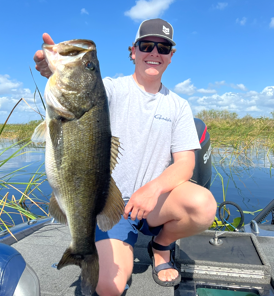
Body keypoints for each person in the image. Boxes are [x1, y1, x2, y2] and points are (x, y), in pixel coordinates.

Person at [34, 18, 217, 296]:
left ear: (171, 56)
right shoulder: (109, 89)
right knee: (108, 287)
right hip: (112, 205)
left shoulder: (179, 106)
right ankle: (96, 249)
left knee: (203, 205)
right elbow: (80, 90)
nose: (154, 52)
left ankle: (161, 245)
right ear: (133, 51)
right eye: (147, 45)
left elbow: (186, 164)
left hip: (156, 202)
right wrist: (53, 72)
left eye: (163, 48)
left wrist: (151, 190)